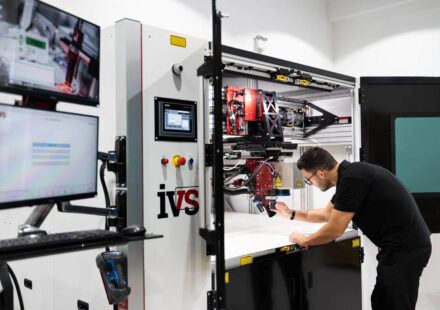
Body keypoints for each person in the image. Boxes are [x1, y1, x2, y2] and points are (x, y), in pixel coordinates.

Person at [274, 147, 431, 310]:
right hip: (403, 248)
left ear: (320, 173)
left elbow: (335, 229)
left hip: (405, 249)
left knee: (392, 305)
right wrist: (291, 213)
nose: (310, 184)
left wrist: (305, 240)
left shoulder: (352, 180)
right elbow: (327, 214)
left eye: (308, 179)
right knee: (382, 301)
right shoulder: (351, 175)